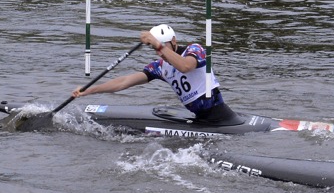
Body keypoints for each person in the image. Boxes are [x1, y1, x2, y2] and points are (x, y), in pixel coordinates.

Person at [71, 24, 242, 126]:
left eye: (162, 47)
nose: (159, 53)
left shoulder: (195, 49)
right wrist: (89, 90)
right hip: (200, 119)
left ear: (173, 41)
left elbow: (185, 66)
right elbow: (124, 82)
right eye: (155, 49)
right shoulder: (160, 67)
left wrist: (157, 44)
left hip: (221, 117)